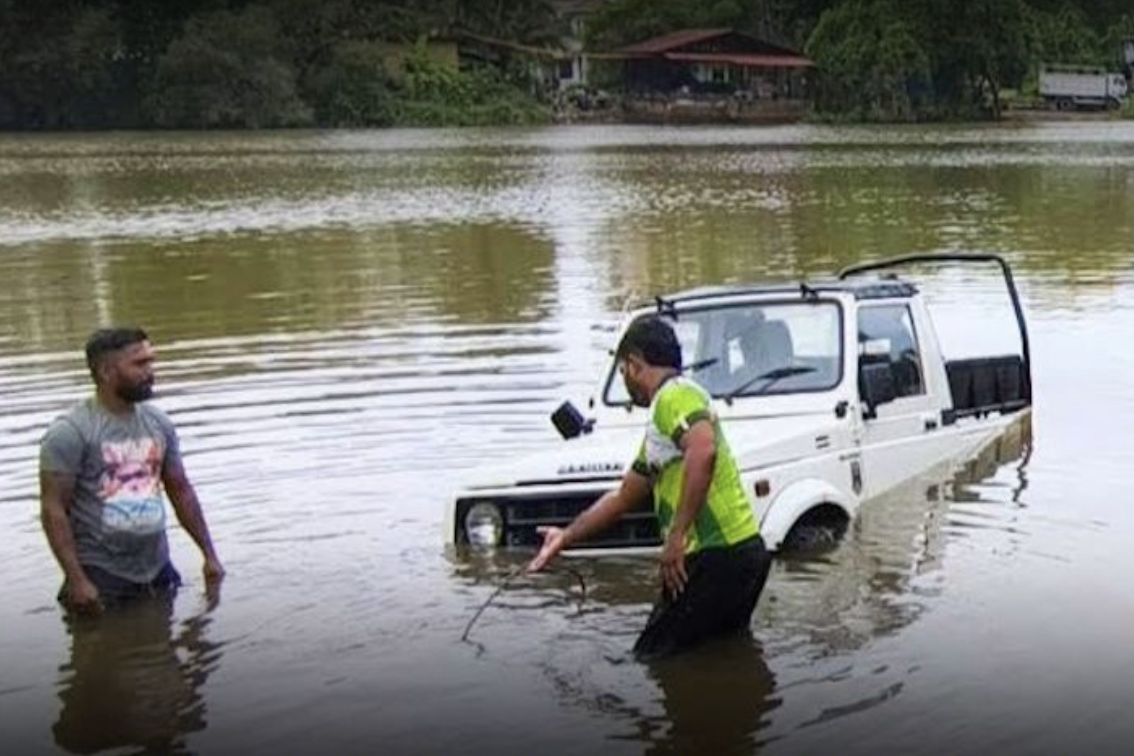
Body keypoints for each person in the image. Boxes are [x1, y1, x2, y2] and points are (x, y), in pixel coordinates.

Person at [529, 316, 772, 658]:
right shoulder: (663, 430)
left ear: (634, 364)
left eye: (623, 370)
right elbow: (623, 496)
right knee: (721, 658)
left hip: (713, 557)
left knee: (655, 661)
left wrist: (676, 536)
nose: (625, 379)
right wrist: (565, 536)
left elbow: (703, 451)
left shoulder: (675, 395)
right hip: (740, 556)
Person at [39, 327, 224, 615]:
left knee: (164, 640)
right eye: (140, 363)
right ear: (106, 371)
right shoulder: (71, 432)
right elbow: (54, 509)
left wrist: (209, 555)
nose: (150, 371)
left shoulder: (158, 423)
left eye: (151, 361)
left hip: (158, 569)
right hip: (101, 574)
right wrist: (77, 580)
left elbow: (180, 489)